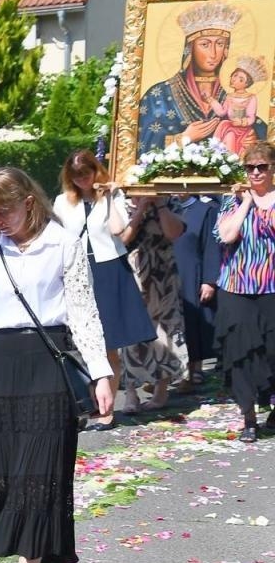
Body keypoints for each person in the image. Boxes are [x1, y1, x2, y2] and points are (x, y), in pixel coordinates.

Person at [0, 167, 115, 563]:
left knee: (39, 472)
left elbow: (84, 311)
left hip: (47, 362)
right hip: (0, 365)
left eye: (5, 210)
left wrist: (101, 373)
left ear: (28, 202)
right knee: (4, 473)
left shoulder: (63, 243)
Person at [51, 150, 152, 426]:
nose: (82, 180)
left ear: (96, 171)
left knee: (109, 344)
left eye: (86, 174)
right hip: (77, 269)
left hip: (109, 268)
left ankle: (106, 411)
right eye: (76, 176)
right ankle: (85, 403)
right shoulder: (62, 202)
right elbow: (57, 237)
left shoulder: (112, 196)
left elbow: (119, 231)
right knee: (78, 344)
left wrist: (108, 197)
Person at [137, 1, 264, 153]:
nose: (213, 54)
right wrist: (184, 138)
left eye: (220, 44)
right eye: (205, 44)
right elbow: (143, 143)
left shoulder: (234, 94)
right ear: (190, 48)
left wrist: (253, 138)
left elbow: (260, 131)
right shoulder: (159, 95)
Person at [213, 139, 275, 443]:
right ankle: (249, 418)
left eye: (262, 167)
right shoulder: (234, 200)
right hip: (237, 287)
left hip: (271, 286)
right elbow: (226, 235)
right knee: (241, 354)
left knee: (272, 351)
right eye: (250, 168)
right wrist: (247, 204)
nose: (256, 173)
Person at [116, 194, 189, 408]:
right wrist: (140, 210)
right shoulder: (118, 202)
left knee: (164, 329)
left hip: (162, 274)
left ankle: (161, 391)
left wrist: (159, 204)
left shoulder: (170, 201)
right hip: (130, 272)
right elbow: (121, 239)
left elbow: (173, 233)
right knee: (129, 332)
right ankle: (131, 393)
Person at [168, 194, 223, 385]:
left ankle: (195, 367)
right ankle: (172, 371)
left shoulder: (204, 210)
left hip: (192, 270)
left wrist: (209, 280)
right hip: (167, 270)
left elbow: (211, 246)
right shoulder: (165, 208)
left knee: (192, 320)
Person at [212, 59, 264, 156]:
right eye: (235, 75)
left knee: (231, 138)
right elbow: (222, 112)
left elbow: (251, 117)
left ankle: (231, 160)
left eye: (241, 79)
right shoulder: (229, 96)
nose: (234, 79)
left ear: (246, 84)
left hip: (243, 130)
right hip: (229, 126)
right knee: (229, 136)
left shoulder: (251, 97)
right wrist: (212, 101)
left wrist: (241, 122)